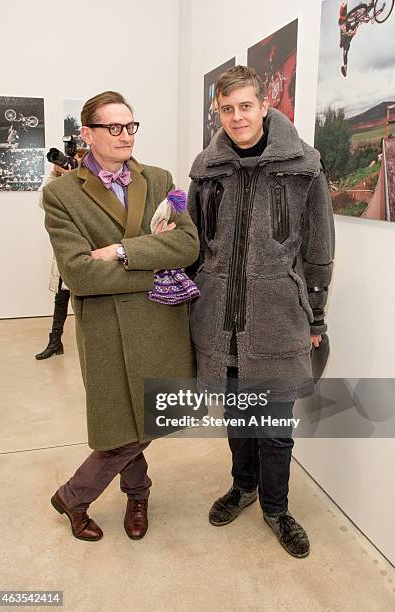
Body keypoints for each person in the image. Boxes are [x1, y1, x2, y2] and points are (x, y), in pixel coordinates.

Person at [187, 66, 334, 558]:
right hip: (219, 319)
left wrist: (315, 316)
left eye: (245, 106)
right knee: (237, 417)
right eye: (226, 109)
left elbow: (318, 247)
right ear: (219, 112)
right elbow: (194, 243)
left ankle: (276, 508)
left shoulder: (304, 166)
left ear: (264, 105)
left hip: (277, 317)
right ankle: (242, 486)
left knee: (274, 428)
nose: (236, 117)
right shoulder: (205, 169)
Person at [42, 91, 199, 542]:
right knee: (121, 422)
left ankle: (86, 494)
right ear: (87, 134)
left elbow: (187, 247)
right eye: (114, 127)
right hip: (106, 328)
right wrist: (155, 267)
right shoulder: (61, 195)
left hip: (160, 326)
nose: (125, 135)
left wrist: (121, 251)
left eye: (131, 126)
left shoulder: (160, 178)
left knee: (155, 416)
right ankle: (128, 493)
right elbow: (80, 274)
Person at [35, 153, 85, 361]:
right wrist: (55, 176)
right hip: (65, 251)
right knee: (61, 298)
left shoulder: (90, 184)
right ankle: (55, 341)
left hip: (86, 252)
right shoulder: (60, 183)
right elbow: (42, 201)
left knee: (85, 301)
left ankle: (92, 344)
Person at [339, 2, 359, 77]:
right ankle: (345, 67)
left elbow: (344, 27)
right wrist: (353, 32)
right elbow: (350, 32)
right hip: (347, 35)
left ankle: (361, 10)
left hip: (347, 31)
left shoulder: (343, 20)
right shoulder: (341, 22)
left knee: (345, 53)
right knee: (345, 53)